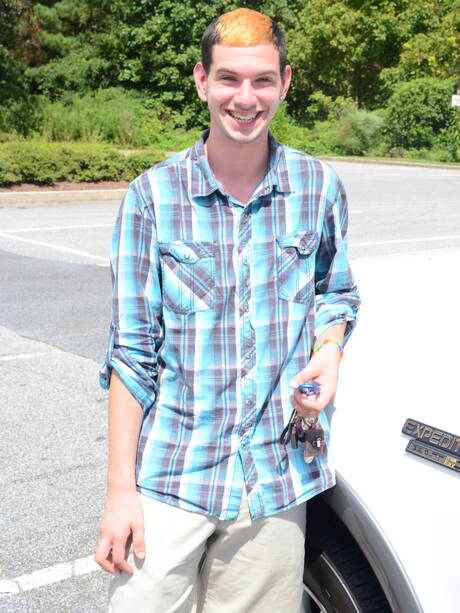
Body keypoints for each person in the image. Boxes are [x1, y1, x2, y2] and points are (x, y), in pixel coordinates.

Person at [95, 7, 360, 612]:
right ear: (202, 81)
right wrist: (119, 491)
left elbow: (336, 291)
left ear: (284, 83)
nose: (246, 98)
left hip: (275, 479)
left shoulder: (318, 188)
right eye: (229, 79)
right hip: (171, 476)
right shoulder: (153, 196)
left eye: (262, 79)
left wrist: (328, 351)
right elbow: (131, 353)